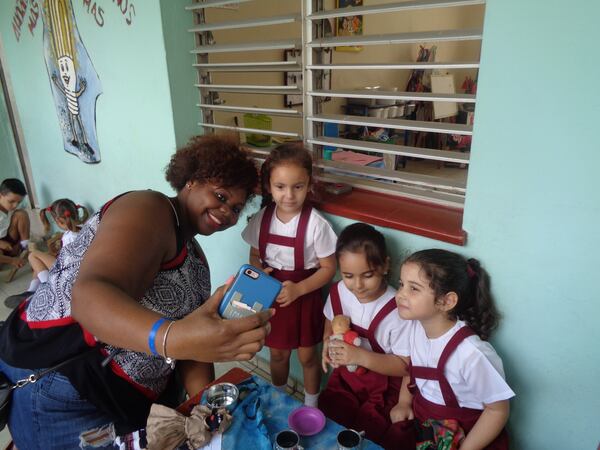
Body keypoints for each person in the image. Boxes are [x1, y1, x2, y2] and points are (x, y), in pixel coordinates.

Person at [0, 135, 274, 449]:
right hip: (63, 388)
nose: (226, 211)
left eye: (236, 208)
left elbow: (192, 352)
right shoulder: (147, 208)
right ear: (191, 180)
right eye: (221, 196)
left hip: (117, 401)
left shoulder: (195, 259)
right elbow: (89, 299)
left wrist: (205, 404)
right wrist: (176, 338)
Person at [241, 143, 337, 407]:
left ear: (309, 184)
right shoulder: (261, 219)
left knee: (308, 357)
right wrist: (258, 270)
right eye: (280, 187)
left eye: (298, 186)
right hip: (274, 298)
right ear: (269, 187)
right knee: (278, 355)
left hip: (305, 297)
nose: (289, 195)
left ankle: (311, 405)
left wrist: (299, 289)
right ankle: (278, 398)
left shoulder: (317, 224)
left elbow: (329, 268)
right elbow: (253, 256)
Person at [391, 249, 515, 450]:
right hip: (426, 426)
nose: (400, 294)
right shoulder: (415, 326)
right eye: (401, 284)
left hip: (467, 437)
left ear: (446, 301)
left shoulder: (471, 353)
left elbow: (497, 411)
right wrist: (404, 402)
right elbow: (412, 369)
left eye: (413, 289)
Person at [319, 223, 414, 449]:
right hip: (346, 380)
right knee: (330, 421)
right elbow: (330, 320)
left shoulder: (398, 310)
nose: (358, 285)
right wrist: (327, 343)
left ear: (385, 266)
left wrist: (359, 356)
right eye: (349, 275)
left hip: (383, 390)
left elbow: (405, 366)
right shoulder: (339, 291)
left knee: (369, 434)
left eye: (368, 275)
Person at [4, 198, 90, 308]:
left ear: (58, 220)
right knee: (42, 260)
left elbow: (68, 261)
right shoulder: (85, 229)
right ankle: (31, 292)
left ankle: (50, 289)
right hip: (82, 269)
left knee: (33, 255)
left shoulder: (69, 236)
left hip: (70, 275)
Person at [0, 178, 30, 269]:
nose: (15, 205)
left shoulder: (12, 208)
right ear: (0, 196)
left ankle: (25, 247)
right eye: (11, 202)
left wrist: (20, 243)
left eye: (19, 202)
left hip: (9, 238)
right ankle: (9, 258)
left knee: (21, 214)